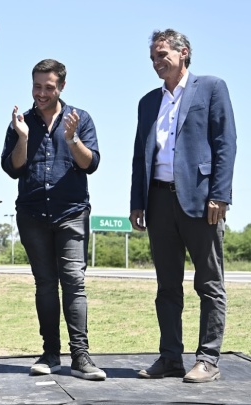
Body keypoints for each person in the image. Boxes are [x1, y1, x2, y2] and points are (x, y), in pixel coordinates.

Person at [130, 29, 236, 383]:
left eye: (162, 55)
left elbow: (226, 143)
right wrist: (137, 202)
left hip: (202, 200)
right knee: (167, 287)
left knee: (209, 284)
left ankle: (208, 359)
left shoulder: (212, 88)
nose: (157, 62)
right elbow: (140, 155)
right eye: (153, 57)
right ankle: (170, 357)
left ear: (183, 53)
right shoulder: (148, 102)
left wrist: (220, 194)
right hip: (158, 201)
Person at [1, 59, 105, 381]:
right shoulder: (21, 122)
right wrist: (22, 137)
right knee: (45, 284)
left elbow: (91, 164)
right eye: (37, 86)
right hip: (32, 214)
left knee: (73, 281)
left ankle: (81, 356)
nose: (42, 93)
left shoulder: (80, 118)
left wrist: (72, 139)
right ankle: (50, 353)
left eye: (49, 87)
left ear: (62, 86)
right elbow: (13, 168)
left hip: (71, 213)